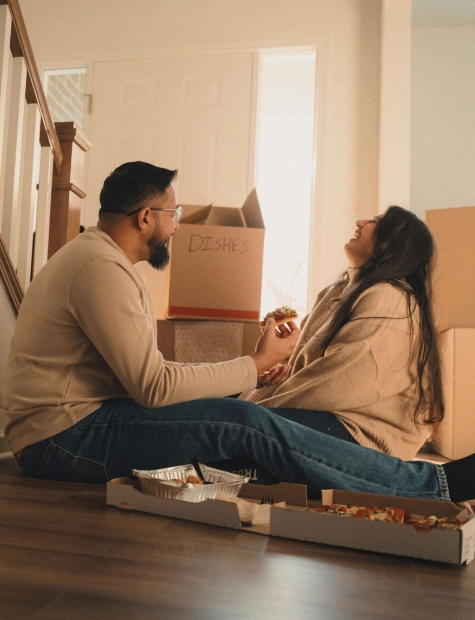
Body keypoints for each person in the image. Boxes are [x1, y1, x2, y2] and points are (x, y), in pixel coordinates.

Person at [1, 161, 474, 503]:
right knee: (242, 424)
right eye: (174, 213)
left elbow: (152, 378)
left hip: (74, 424)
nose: (178, 224)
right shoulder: (100, 270)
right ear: (145, 217)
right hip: (61, 439)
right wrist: (256, 369)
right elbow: (154, 386)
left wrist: (251, 377)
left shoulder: (102, 262)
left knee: (236, 420)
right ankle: (432, 487)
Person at [239, 206, 443, 462]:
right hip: (330, 416)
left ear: (393, 242)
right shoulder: (336, 293)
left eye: (375, 221)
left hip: (362, 437)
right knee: (223, 407)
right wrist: (274, 378)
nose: (360, 222)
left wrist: (251, 405)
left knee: (227, 422)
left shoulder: (389, 297)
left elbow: (337, 383)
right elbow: (315, 374)